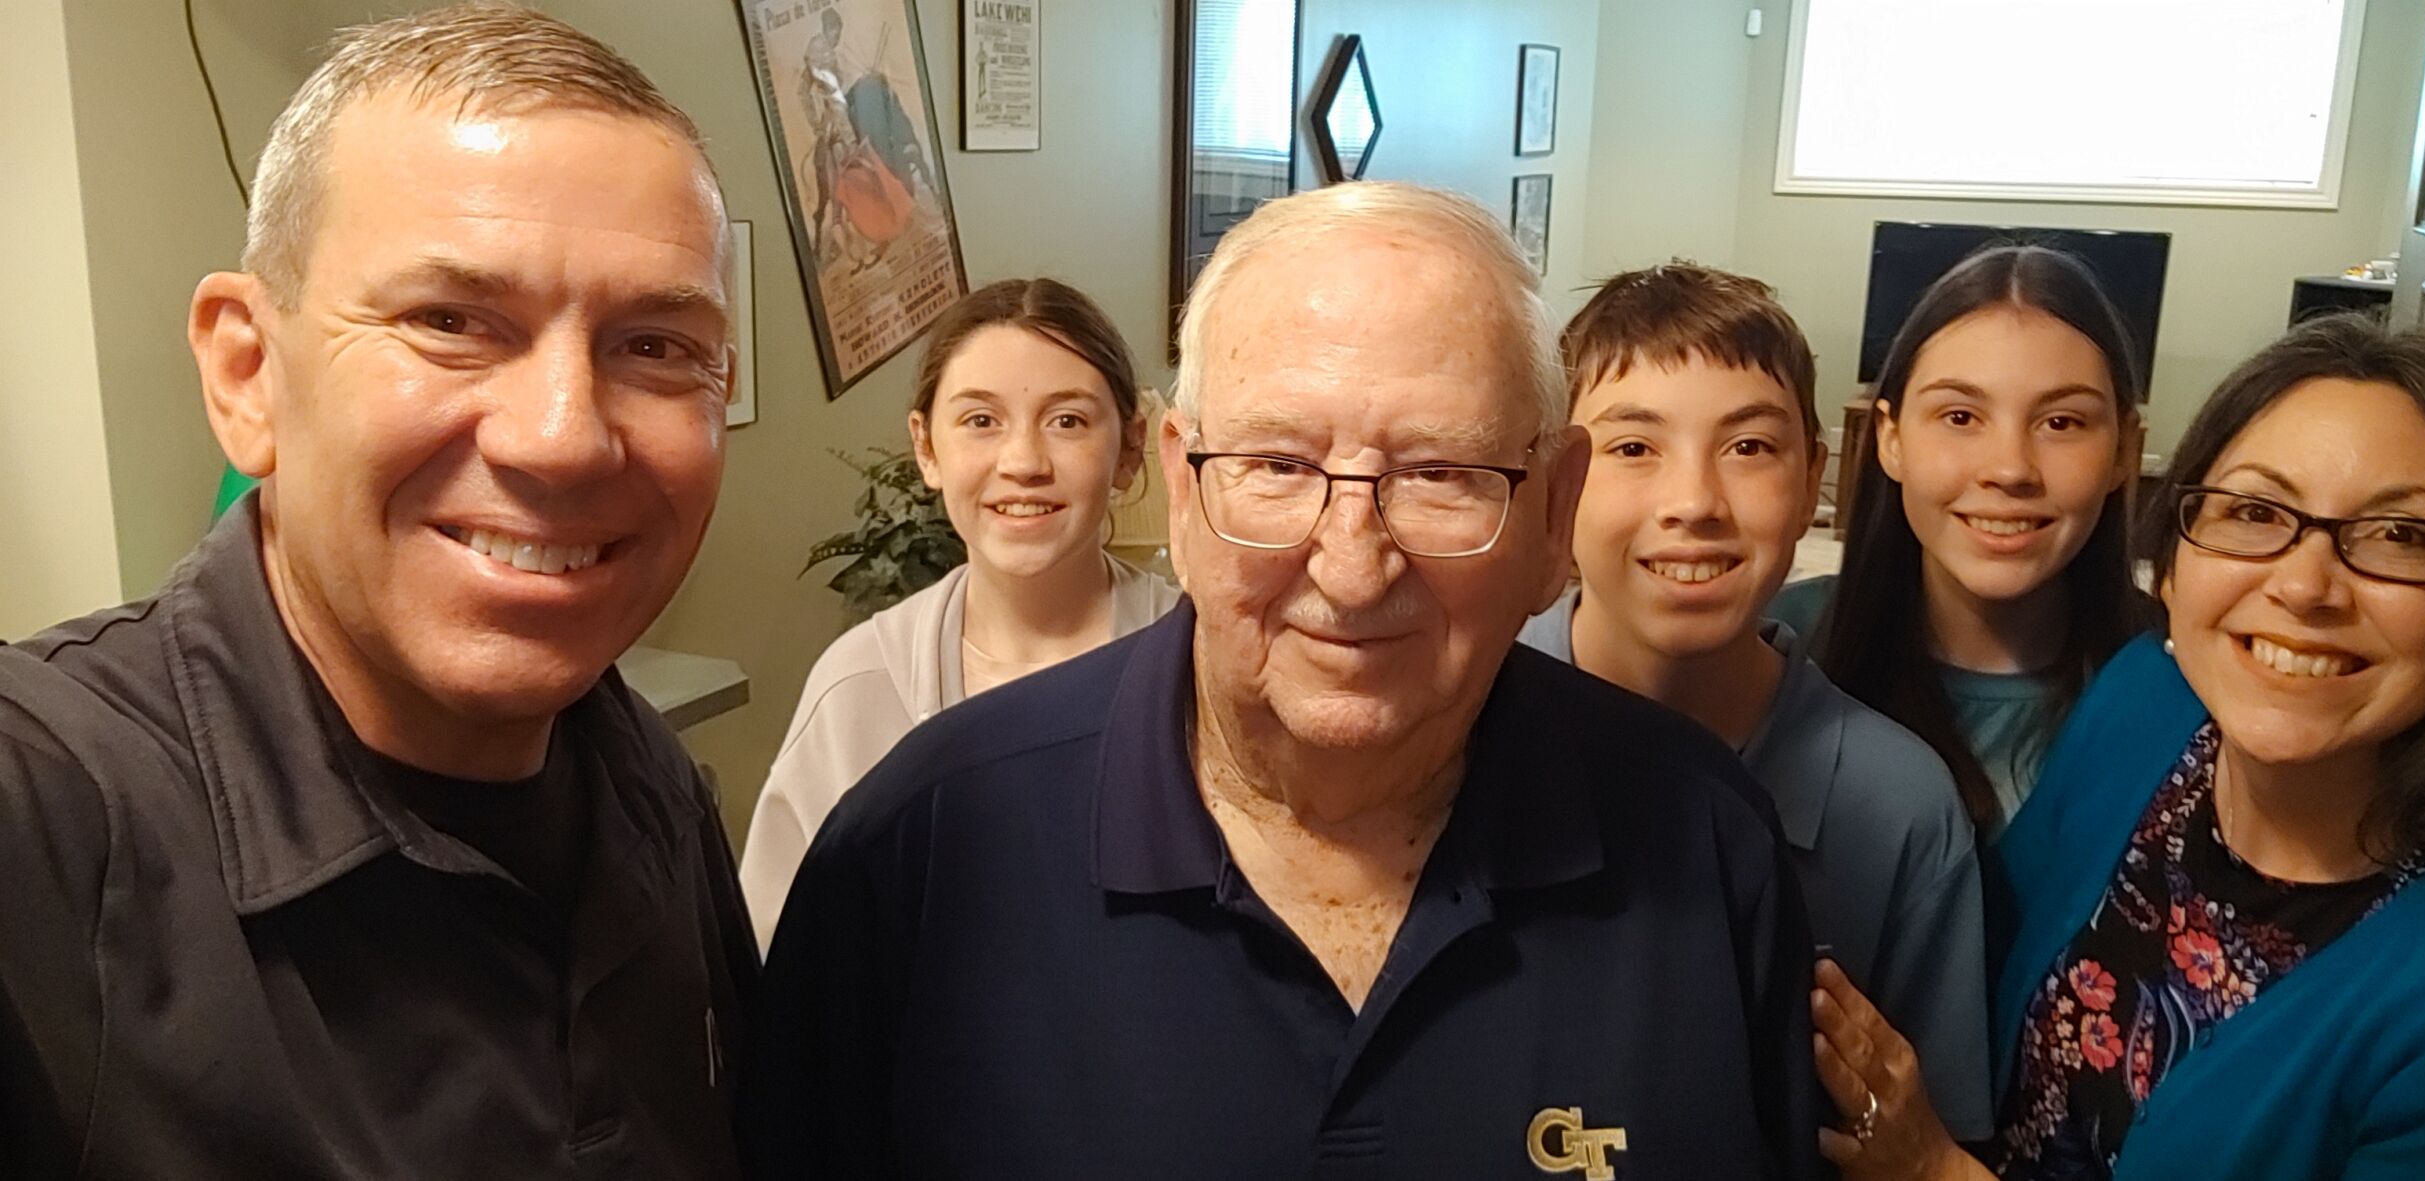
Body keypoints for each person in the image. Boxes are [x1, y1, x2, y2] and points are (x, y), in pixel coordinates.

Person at [743, 182, 1823, 1179]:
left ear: (1553, 511)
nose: (1352, 569)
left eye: (1439, 473)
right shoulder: (920, 850)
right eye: (1275, 465)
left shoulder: (1706, 845)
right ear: (1180, 491)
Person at [0, 8, 755, 1178]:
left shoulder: (646, 783)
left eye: (655, 346)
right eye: (448, 322)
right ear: (248, 372)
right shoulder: (42, 833)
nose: (562, 438)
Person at [1811, 316, 2425, 1180]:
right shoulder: (2146, 705)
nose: (2305, 585)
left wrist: (1932, 1169)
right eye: (2255, 512)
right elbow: (1981, 964)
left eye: (2400, 534)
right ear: (2171, 564)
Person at [1520, 261, 1991, 1140]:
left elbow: (1933, 1138)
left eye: (1749, 447)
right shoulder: (1454, 721)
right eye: (1633, 448)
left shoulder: (1900, 807)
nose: (1694, 502)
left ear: (1813, 479)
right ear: (1559, 480)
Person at [740, 278, 1181, 950]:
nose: (1023, 462)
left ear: (1128, 448)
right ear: (926, 448)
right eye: (981, 421)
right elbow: (782, 953)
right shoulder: (861, 687)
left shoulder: (1200, 663)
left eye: (1068, 421)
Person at [1769, 245, 2147, 840]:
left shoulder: (2179, 688)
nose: (2010, 468)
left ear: (2125, 449)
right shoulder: (1773, 649)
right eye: (1961, 417)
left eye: (2061, 423)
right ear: (1890, 438)